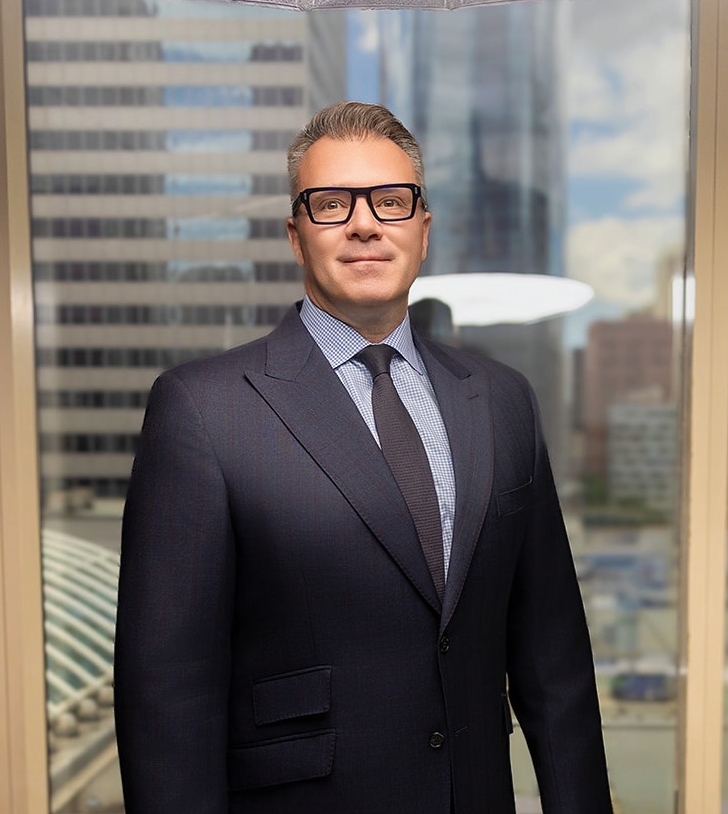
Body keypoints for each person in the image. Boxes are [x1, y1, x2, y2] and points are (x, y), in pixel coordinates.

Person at [114, 100, 613, 814]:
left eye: (391, 201)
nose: (364, 224)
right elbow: (167, 692)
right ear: (296, 235)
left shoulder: (503, 399)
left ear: (423, 229)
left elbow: (553, 659)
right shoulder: (202, 408)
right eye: (331, 204)